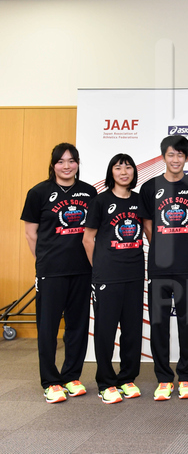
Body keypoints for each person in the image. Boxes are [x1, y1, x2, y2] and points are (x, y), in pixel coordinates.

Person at [21, 143, 97, 404]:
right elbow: (31, 234)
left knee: (78, 325)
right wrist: (44, 263)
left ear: (78, 163)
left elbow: (93, 232)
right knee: (48, 327)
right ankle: (50, 381)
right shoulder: (38, 192)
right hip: (51, 271)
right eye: (61, 161)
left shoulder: (89, 192)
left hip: (82, 269)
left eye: (72, 160)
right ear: (53, 165)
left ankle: (71, 377)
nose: (67, 166)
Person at [140, 135, 188, 401]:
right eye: (171, 154)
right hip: (159, 268)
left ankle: (186, 377)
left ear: (187, 158)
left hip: (187, 266)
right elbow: (148, 226)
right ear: (163, 157)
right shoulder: (150, 187)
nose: (176, 159)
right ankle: (164, 378)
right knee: (159, 324)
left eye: (180, 155)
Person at [83, 154, 145, 404]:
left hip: (134, 274)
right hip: (107, 276)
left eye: (128, 167)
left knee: (132, 330)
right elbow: (88, 239)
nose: (124, 172)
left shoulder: (139, 200)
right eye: (118, 168)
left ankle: (127, 379)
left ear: (134, 173)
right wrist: (99, 268)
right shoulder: (100, 201)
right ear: (111, 172)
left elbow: (147, 230)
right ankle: (106, 382)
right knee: (105, 331)